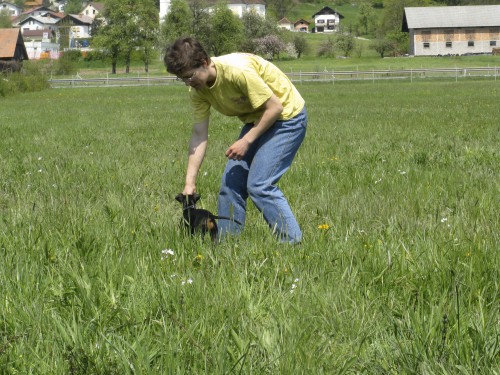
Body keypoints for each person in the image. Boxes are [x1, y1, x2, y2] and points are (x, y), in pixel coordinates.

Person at [164, 37, 307, 244]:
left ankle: (293, 244)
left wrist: (247, 140)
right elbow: (199, 134)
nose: (188, 83)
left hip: (288, 117)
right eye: (182, 79)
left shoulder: (237, 71)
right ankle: (228, 245)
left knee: (260, 185)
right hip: (258, 118)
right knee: (231, 185)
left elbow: (275, 108)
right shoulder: (198, 90)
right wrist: (189, 183)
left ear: (204, 62)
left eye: (189, 76)